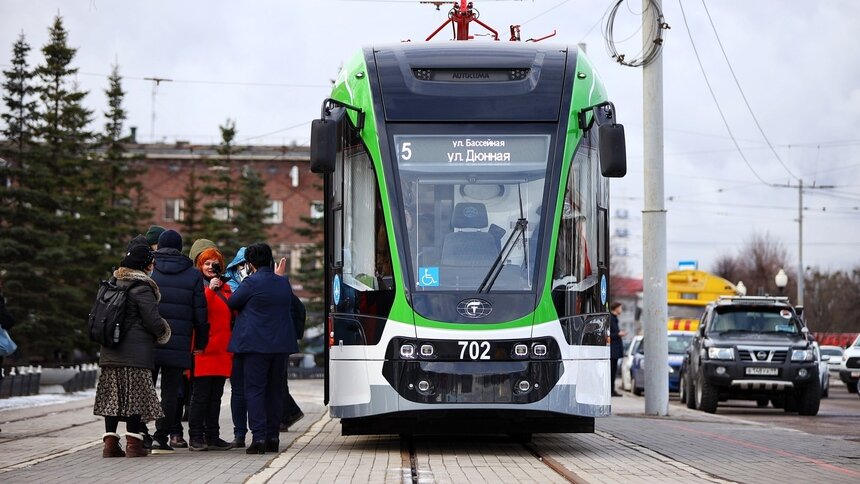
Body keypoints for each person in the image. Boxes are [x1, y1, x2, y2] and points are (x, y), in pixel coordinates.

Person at [93, 237, 171, 458]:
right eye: (151, 262)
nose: (153, 266)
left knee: (113, 398)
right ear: (144, 265)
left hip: (110, 351)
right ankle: (134, 445)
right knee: (134, 397)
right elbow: (153, 321)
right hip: (135, 354)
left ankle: (110, 444)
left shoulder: (112, 283)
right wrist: (164, 332)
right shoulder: (141, 287)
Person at [227, 243, 298, 454]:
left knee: (255, 391)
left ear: (249, 264)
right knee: (275, 390)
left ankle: (258, 438)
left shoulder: (250, 283)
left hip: (256, 346)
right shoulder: (283, 283)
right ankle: (273, 437)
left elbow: (232, 302)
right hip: (281, 346)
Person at [149, 229, 209, 454]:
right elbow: (200, 314)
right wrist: (200, 343)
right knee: (171, 392)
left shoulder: (150, 270)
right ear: (180, 248)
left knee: (146, 388)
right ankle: (161, 437)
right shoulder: (193, 275)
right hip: (179, 341)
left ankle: (141, 435)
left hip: (151, 341)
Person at [187, 246, 235, 451]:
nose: (209, 267)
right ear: (199, 265)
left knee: (215, 397)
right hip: (204, 351)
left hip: (222, 351)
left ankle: (212, 435)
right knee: (200, 397)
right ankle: (196, 436)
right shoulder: (197, 287)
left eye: (213, 263)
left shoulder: (226, 288)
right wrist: (210, 290)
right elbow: (197, 313)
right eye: (206, 263)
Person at [609, 301, 627, 397]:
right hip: (612, 350)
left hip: (615, 350)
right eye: (620, 308)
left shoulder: (614, 319)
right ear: (615, 308)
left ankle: (612, 390)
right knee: (611, 371)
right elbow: (608, 334)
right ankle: (610, 390)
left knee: (614, 371)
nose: (621, 310)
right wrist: (618, 334)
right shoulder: (611, 319)